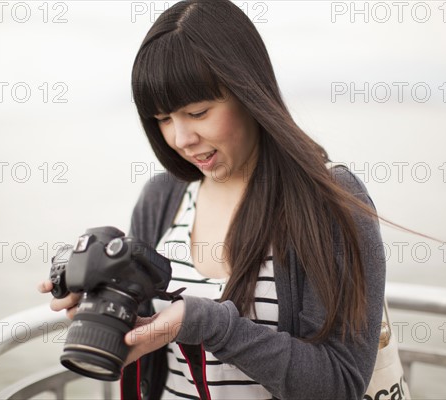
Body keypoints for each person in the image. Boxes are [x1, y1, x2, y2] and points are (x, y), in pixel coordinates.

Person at [40, 1, 386, 398]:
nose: (181, 139)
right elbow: (153, 341)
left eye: (198, 112)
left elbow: (340, 384)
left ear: (249, 92)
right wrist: (109, 307)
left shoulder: (329, 201)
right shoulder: (162, 197)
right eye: (164, 120)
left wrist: (211, 324)